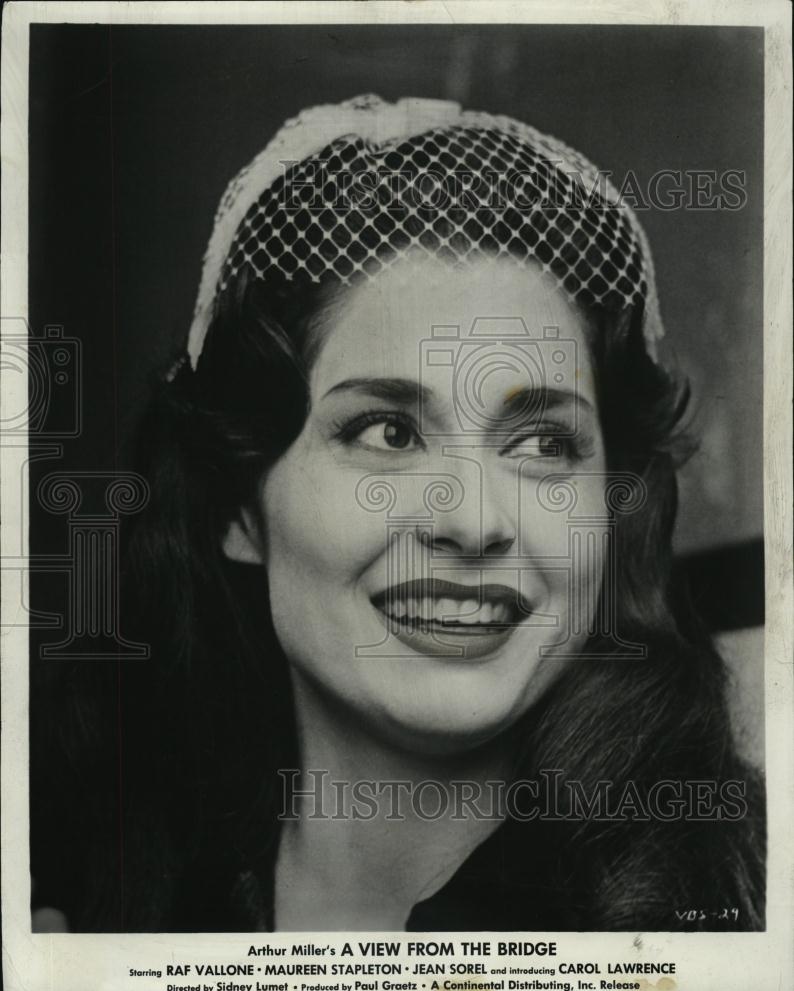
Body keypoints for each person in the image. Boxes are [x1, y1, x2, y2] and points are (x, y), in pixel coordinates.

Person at [31, 94, 765, 932]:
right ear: (239, 508)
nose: (472, 520)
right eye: (389, 431)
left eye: (541, 445)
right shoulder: (86, 898)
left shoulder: (741, 904)